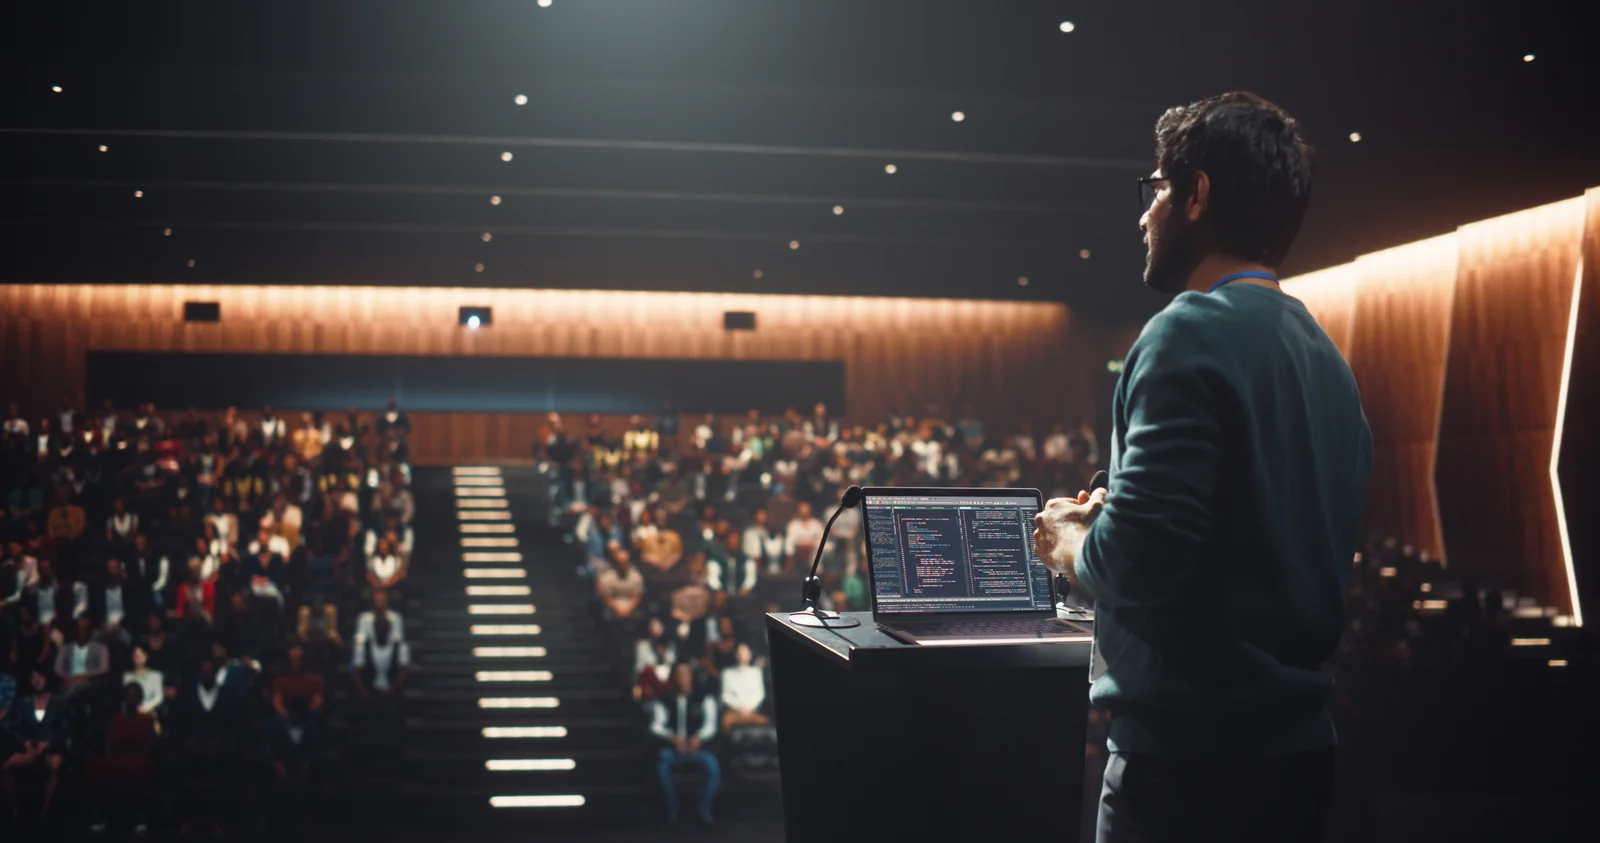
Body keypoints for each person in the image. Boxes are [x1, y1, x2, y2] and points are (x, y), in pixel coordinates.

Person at [1031, 92, 1372, 843]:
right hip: (1297, 759)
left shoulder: (1184, 334)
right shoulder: (1328, 360)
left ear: (1197, 195)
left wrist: (1072, 541)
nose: (1144, 215)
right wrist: (1120, 516)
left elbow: (1141, 561)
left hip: (1188, 768)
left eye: (1157, 187)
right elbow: (1247, 537)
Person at [649, 663, 720, 826]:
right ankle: (673, 810)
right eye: (679, 674)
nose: (683, 678)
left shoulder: (704, 697)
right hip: (673, 749)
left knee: (713, 767)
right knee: (661, 765)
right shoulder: (664, 699)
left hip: (697, 749)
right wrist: (672, 738)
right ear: (674, 678)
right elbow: (656, 726)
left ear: (691, 676)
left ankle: (703, 810)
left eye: (686, 674)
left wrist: (698, 738)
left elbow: (710, 725)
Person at [86, 682, 157, 835]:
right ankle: (100, 818)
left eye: (134, 696)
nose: (131, 699)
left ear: (139, 698)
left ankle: (140, 818)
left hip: (138, 759)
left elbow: (150, 743)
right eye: (128, 695)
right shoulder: (116, 718)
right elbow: (109, 743)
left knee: (141, 768)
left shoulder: (146, 719)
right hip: (118, 758)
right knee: (97, 767)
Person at [2, 668, 68, 818]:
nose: (37, 681)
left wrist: (48, 744)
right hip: (29, 748)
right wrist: (26, 744)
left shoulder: (58, 702)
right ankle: (15, 811)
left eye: (40, 677)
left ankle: (45, 812)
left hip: (51, 747)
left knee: (55, 765)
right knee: (6, 767)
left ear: (47, 679)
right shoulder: (24, 702)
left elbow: (64, 730)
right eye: (34, 677)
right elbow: (18, 728)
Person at [55, 615, 110, 699]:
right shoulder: (65, 649)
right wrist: (67, 678)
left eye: (85, 628)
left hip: (91, 685)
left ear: (90, 630)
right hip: (69, 682)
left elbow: (104, 668)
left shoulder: (101, 649)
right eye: (80, 628)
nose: (82, 631)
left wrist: (84, 676)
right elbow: (58, 669)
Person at [719, 642, 768, 732]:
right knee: (725, 721)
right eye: (739, 652)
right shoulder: (727, 673)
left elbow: (760, 693)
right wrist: (740, 708)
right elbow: (725, 696)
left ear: (749, 655)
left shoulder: (756, 672)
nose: (742, 655)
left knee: (765, 722)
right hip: (734, 711)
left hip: (752, 711)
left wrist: (749, 708)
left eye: (744, 652)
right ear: (736, 655)